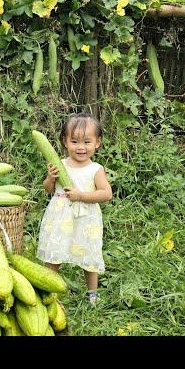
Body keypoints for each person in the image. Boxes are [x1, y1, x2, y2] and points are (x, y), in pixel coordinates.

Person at [36, 112, 113, 306]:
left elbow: (106, 193)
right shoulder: (59, 165)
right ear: (65, 141)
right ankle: (48, 289)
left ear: (97, 143)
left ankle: (92, 293)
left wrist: (82, 196)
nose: (81, 147)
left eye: (87, 142)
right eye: (75, 141)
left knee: (89, 254)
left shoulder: (96, 169)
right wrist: (50, 178)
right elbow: (48, 190)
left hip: (86, 218)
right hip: (60, 215)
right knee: (55, 251)